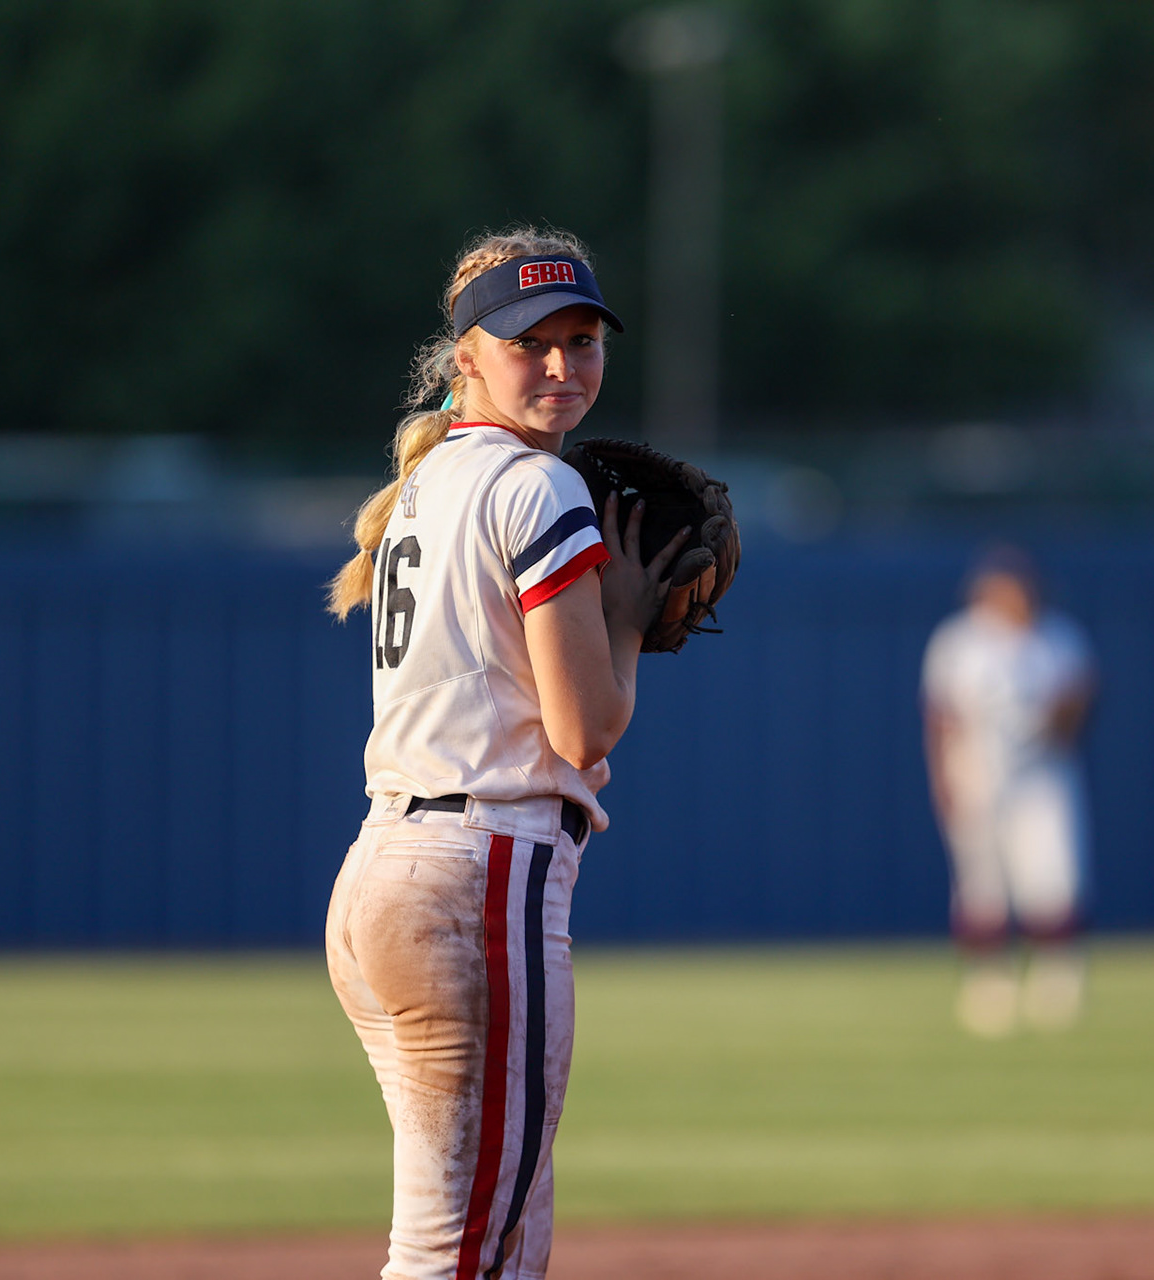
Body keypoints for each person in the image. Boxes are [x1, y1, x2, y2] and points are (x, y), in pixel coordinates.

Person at [323, 228, 685, 1280]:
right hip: (476, 880)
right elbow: (586, 730)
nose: (565, 366)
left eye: (584, 340)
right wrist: (626, 614)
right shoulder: (540, 490)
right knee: (465, 1253)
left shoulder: (429, 484)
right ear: (467, 356)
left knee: (486, 1240)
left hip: (382, 882)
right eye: (533, 342)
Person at [920, 545, 1096, 1037]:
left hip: (1041, 775)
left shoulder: (1057, 637)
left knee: (1052, 878)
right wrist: (943, 780)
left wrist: (1060, 716)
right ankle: (989, 986)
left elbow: (1080, 699)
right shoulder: (960, 641)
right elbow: (940, 717)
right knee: (982, 884)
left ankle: (1056, 983)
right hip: (977, 774)